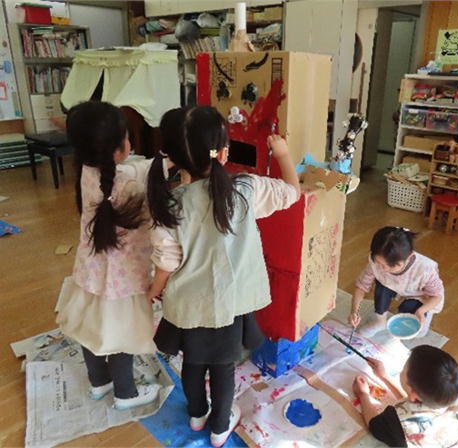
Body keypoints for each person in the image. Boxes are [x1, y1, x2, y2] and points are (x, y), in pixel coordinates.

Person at [147, 106, 300, 447]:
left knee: (193, 363)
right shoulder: (245, 189)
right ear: (224, 152)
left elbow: (166, 264)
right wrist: (282, 154)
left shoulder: (169, 205)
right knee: (223, 368)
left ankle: (197, 415)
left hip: (188, 306)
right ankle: (219, 428)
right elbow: (293, 191)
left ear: (173, 158)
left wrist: (152, 291)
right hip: (231, 305)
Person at [56, 101, 159, 410]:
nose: (130, 141)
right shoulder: (128, 186)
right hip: (123, 281)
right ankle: (126, 394)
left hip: (90, 273)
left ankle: (99, 381)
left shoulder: (87, 171)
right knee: (120, 336)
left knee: (91, 329)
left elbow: (133, 170)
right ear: (116, 149)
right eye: (126, 136)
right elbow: (155, 217)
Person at [352, 345, 458, 447]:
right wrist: (384, 377)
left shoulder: (397, 421)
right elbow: (413, 402)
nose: (401, 371)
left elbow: (376, 425)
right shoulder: (452, 396)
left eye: (403, 369)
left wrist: (363, 394)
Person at [349, 226, 444, 337]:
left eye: (392, 266)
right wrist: (354, 311)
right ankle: (380, 322)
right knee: (381, 287)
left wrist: (421, 311)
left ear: (410, 256)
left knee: (417, 330)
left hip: (420, 296)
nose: (384, 269)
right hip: (394, 286)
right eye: (380, 264)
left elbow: (437, 296)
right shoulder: (376, 262)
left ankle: (418, 314)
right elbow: (362, 286)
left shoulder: (425, 269)